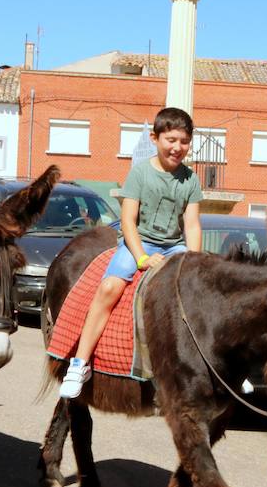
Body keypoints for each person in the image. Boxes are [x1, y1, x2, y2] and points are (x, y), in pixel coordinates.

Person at [58, 107, 203, 399]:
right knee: (109, 288)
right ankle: (79, 363)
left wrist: (194, 260)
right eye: (171, 139)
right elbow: (127, 221)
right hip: (139, 241)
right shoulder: (140, 173)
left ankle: (210, 365)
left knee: (200, 296)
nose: (177, 148)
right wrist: (141, 258)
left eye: (184, 141)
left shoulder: (191, 180)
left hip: (174, 245)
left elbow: (192, 224)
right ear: (154, 138)